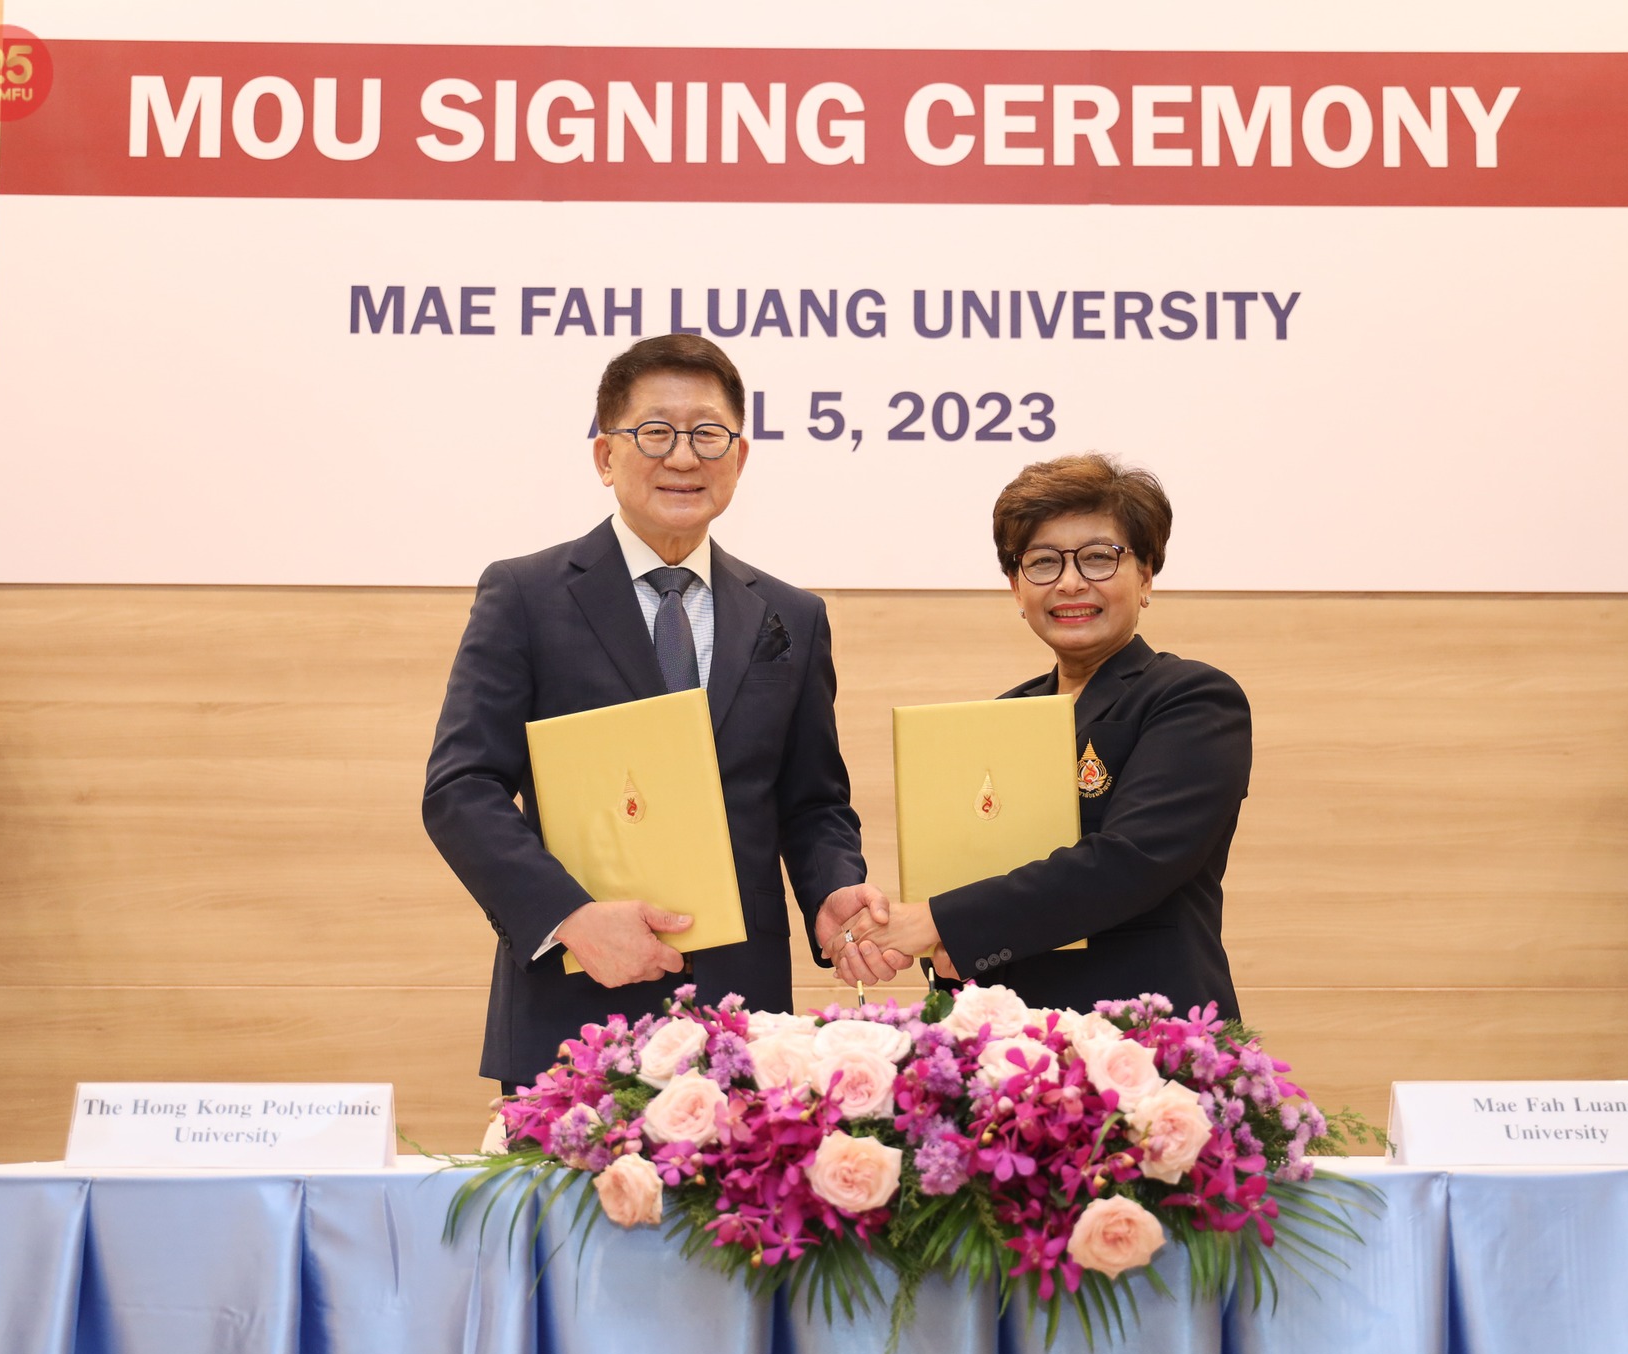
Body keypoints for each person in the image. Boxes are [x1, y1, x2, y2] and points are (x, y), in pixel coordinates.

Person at [424, 334, 893, 1090]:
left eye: (708, 434)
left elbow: (812, 804)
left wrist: (833, 889)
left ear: (739, 458)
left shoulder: (791, 616)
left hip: (745, 1024)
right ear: (606, 456)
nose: (683, 457)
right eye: (655, 432)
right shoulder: (527, 595)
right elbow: (461, 789)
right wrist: (570, 918)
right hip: (576, 1006)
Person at [843, 453, 1251, 1019]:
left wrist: (936, 921)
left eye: (1098, 558)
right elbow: (971, 873)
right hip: (1012, 1044)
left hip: (1149, 1037)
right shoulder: (1002, 718)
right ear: (1016, 586)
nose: (1071, 582)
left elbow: (1128, 862)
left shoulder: (1191, 698)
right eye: (1042, 563)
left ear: (1147, 574)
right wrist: (925, 939)